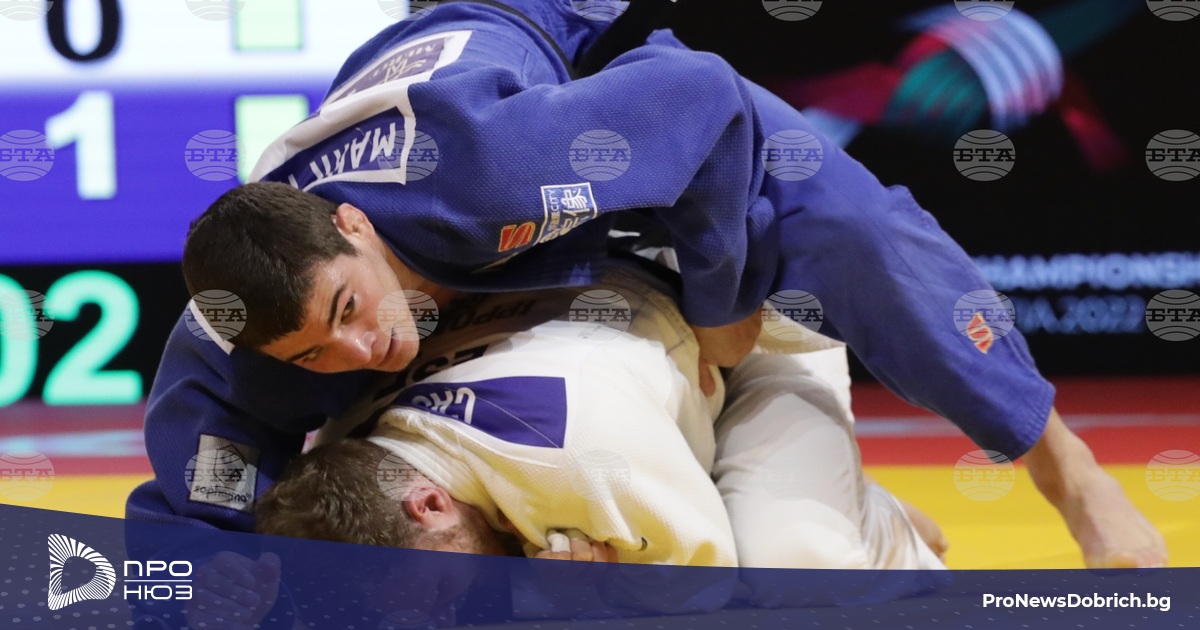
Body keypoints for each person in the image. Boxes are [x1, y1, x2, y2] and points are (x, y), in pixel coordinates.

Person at [129, 0, 1164, 569]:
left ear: (355, 229)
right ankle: (846, 500)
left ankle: (1069, 471)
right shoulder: (235, 334)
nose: (360, 354)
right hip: (444, 158)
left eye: (350, 312)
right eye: (312, 354)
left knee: (850, 228)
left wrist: (722, 307)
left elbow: (704, 105)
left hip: (579, 61)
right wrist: (218, 585)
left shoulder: (488, 171)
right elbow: (193, 498)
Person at [254, 264, 946, 576]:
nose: (448, 616)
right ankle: (825, 492)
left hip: (744, 339)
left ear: (430, 503)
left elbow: (710, 594)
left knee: (795, 574)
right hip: (622, 370)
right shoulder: (351, 465)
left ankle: (885, 536)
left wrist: (581, 606)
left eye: (438, 598)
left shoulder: (574, 457)